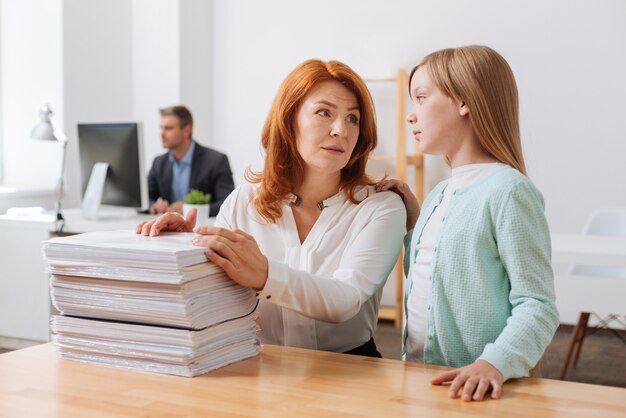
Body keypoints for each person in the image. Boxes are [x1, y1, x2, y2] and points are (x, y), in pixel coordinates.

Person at [137, 59, 406, 357]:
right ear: (289, 120)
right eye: (324, 112)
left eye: (353, 119)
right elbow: (211, 294)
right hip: (258, 368)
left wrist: (264, 274)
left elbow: (346, 300)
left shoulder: (382, 207)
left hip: (351, 373)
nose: (341, 130)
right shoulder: (243, 201)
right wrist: (189, 246)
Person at [377, 45, 559, 401]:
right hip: (422, 380)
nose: (411, 116)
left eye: (421, 98)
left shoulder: (508, 191)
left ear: (463, 102)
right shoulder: (440, 193)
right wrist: (417, 223)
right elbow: (440, 274)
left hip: (477, 389)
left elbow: (538, 304)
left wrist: (493, 363)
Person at [148, 105, 235, 217]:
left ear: (186, 130)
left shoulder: (216, 161)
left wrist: (188, 208)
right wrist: (154, 206)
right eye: (161, 128)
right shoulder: (159, 162)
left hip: (202, 228)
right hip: (169, 229)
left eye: (168, 128)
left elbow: (227, 204)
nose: (162, 133)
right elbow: (144, 198)